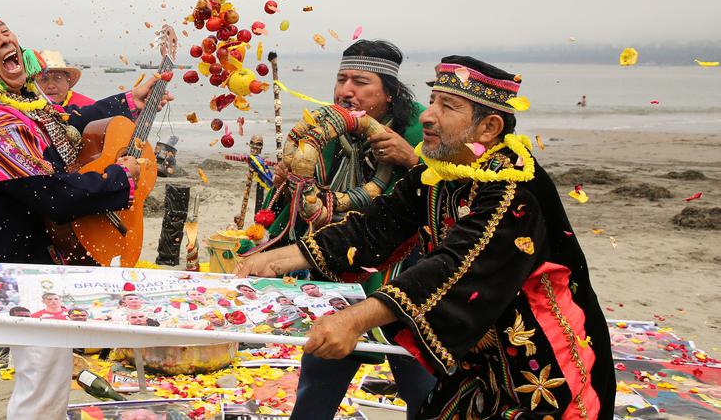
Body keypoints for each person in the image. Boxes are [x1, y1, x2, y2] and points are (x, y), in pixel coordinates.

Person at [237, 56, 615, 419]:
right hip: (475, 360)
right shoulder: (438, 174)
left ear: (489, 128)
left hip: (544, 366)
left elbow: (454, 268)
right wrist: (274, 259)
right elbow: (373, 228)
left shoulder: (513, 190)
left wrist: (354, 321)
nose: (427, 115)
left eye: (447, 106)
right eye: (432, 101)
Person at [0, 7, 170, 420]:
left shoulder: (15, 103)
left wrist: (130, 102)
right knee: (40, 386)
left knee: (50, 378)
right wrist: (119, 180)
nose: (4, 39)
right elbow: (54, 196)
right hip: (23, 275)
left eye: (4, 30)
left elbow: (65, 122)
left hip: (43, 267)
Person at [255, 40, 435, 420]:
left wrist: (412, 159)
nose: (345, 90)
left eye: (359, 81)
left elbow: (455, 193)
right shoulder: (326, 127)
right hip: (335, 265)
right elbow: (299, 205)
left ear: (390, 92)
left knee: (420, 381)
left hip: (407, 272)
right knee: (319, 381)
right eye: (341, 79)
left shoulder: (424, 128)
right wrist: (290, 182)